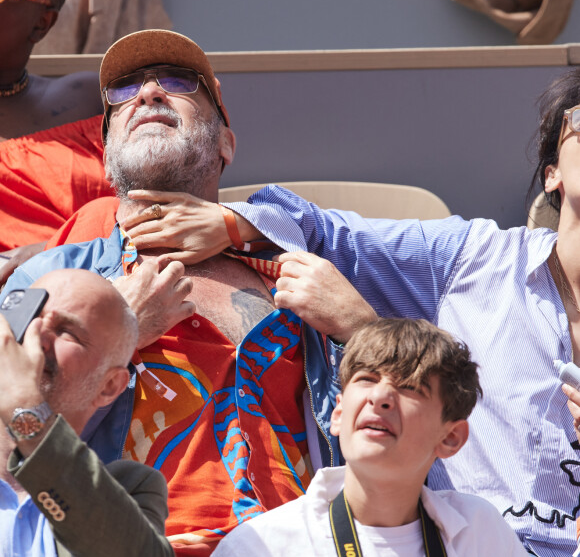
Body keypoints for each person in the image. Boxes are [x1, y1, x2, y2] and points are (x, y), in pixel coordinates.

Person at [74, 68, 580, 555]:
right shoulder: (476, 258)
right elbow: (315, 227)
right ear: (551, 171)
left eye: (179, 84)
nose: (149, 96)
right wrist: (234, 224)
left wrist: (362, 327)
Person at [0, 29, 362, 555]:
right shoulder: (51, 279)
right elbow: (8, 439)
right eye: (123, 91)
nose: (147, 93)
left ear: (225, 144)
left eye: (178, 82)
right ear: (104, 158)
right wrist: (115, 326)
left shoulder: (302, 273)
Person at [214, 318, 528, 557]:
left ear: (450, 438)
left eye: (410, 387)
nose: (380, 397)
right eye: (366, 379)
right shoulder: (263, 545)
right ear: (337, 414)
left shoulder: (479, 532)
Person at [0, 268, 173, 556]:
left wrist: (26, 412)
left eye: (66, 331)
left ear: (109, 386)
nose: (36, 335)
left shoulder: (132, 488)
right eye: (30, 316)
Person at [0, 0, 112, 283]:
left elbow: (156, 205)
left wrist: (54, 252)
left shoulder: (90, 98)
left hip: (113, 286)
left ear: (42, 23)